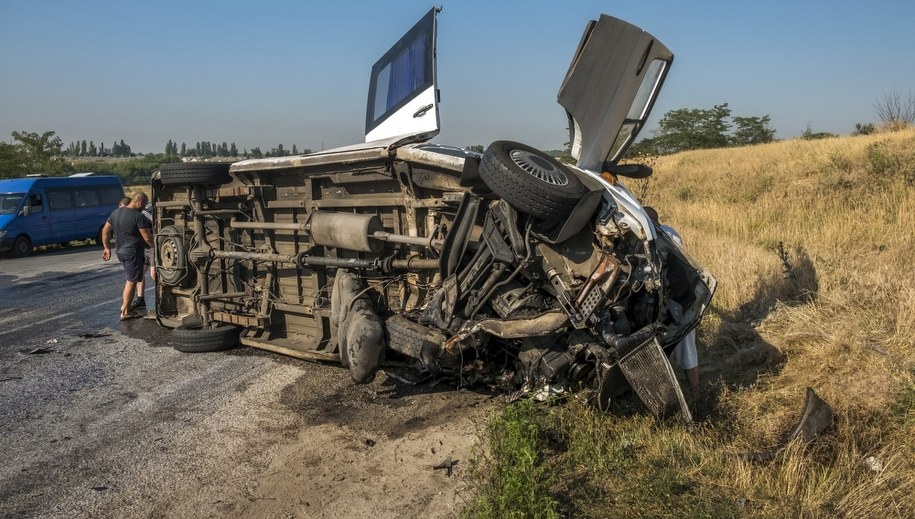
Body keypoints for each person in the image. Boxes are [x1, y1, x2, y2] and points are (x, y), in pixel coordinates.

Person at [644, 206, 700, 393]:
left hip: (678, 303)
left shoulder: (665, 236)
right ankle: (680, 391)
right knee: (673, 349)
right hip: (673, 304)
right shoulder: (665, 235)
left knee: (679, 347)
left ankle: (688, 391)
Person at [101, 192, 153, 320]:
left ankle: (126, 308)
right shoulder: (138, 216)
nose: (144, 207)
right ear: (140, 202)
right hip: (132, 252)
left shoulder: (115, 213)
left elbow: (105, 230)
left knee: (131, 279)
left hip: (120, 252)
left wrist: (107, 247)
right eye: (144, 204)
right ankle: (125, 312)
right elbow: (147, 237)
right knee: (131, 281)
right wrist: (156, 246)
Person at [131, 201, 155, 310]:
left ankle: (165, 296)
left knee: (154, 274)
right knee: (139, 272)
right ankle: (140, 299)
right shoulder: (133, 214)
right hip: (145, 247)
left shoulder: (145, 212)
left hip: (154, 244)